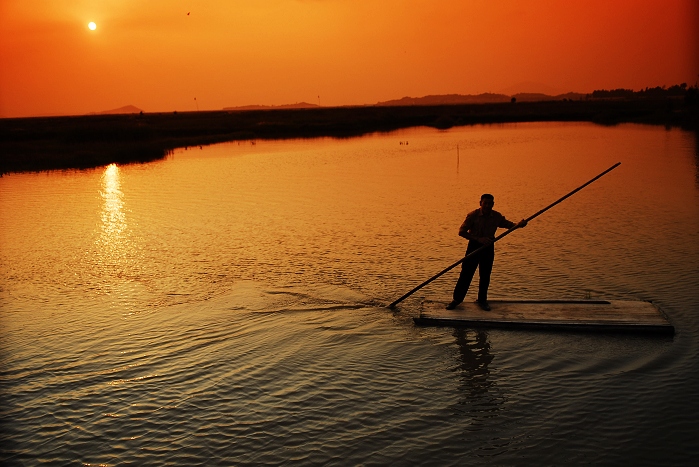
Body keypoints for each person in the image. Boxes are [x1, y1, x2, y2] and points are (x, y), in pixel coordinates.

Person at [447, 194, 527, 311]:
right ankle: (456, 300)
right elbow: (462, 232)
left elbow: (509, 225)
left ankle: (482, 300)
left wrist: (518, 225)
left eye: (490, 203)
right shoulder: (473, 216)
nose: (487, 206)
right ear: (481, 203)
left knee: (485, 275)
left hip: (488, 247)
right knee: (466, 274)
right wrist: (478, 239)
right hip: (474, 246)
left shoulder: (496, 216)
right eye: (485, 203)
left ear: (493, 204)